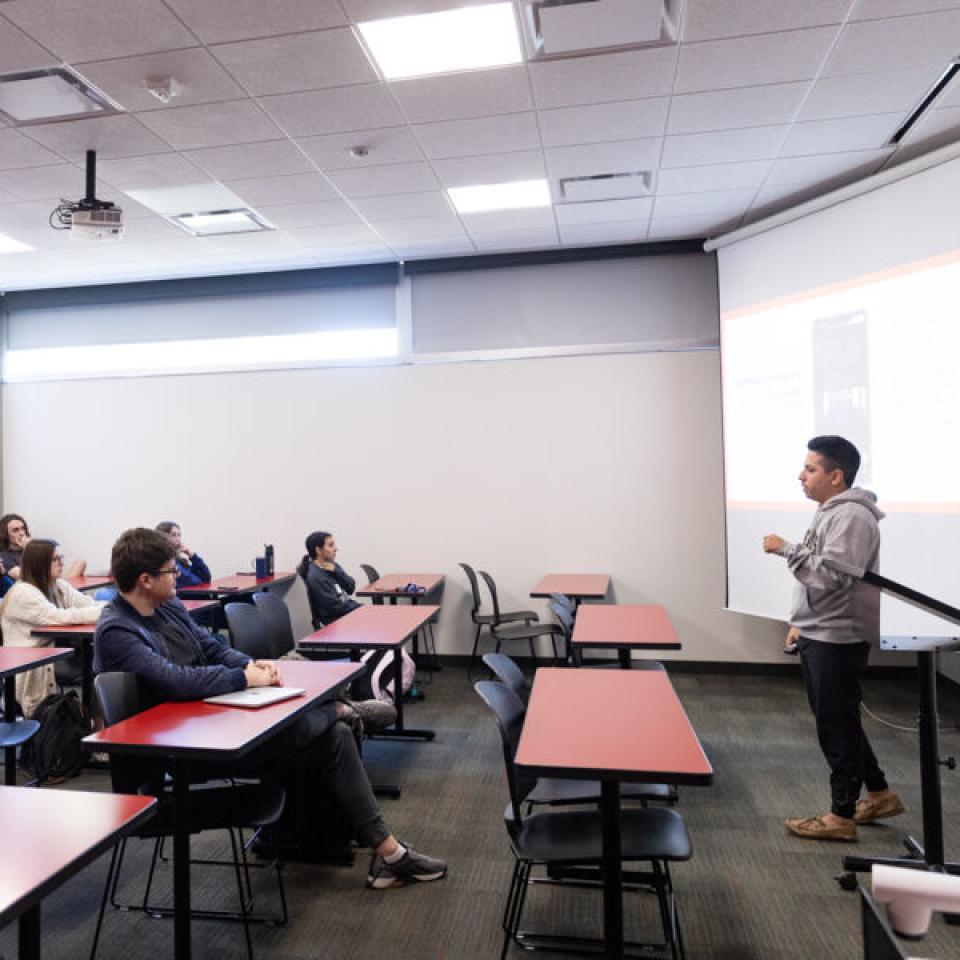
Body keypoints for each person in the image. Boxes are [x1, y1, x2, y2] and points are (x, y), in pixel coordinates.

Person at [93, 528, 443, 889]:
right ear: (145, 580)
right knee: (321, 726)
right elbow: (175, 680)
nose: (178, 575)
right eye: (171, 571)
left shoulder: (169, 607)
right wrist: (242, 680)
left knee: (334, 736)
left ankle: (388, 852)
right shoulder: (117, 630)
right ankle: (336, 709)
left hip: (211, 719)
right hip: (183, 754)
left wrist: (250, 666)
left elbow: (212, 647)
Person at [762, 435, 904, 842]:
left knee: (835, 726)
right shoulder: (833, 511)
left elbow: (833, 576)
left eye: (810, 469)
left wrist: (784, 549)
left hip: (837, 637)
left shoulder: (852, 517)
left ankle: (841, 817)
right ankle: (878, 794)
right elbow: (822, 573)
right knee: (841, 719)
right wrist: (801, 621)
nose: (801, 476)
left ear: (836, 476)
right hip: (820, 629)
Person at [0, 539, 105, 716]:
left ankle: (94, 728)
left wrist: (109, 608)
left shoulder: (57, 585)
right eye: (55, 559)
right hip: (32, 665)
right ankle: (92, 728)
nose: (62, 562)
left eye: (61, 557)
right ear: (39, 563)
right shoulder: (23, 592)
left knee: (101, 663)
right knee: (95, 669)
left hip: (55, 654)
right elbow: (60, 617)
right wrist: (109, 610)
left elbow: (87, 603)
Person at [298, 530, 361, 628]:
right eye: (331, 545)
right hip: (336, 623)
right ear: (318, 550)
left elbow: (351, 587)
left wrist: (337, 571)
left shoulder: (332, 565)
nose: (336, 549)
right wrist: (359, 608)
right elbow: (335, 607)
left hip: (346, 615)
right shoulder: (315, 576)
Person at [0, 513, 86, 580]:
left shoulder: (32, 545)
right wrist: (30, 549)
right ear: (5, 535)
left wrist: (32, 545)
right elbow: (25, 577)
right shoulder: (5, 556)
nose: (22, 533)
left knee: (80, 563)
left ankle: (66, 585)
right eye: (15, 530)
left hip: (52, 579)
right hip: (36, 587)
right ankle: (66, 586)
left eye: (23, 528)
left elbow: (55, 547)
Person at [156, 521, 211, 588]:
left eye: (179, 535)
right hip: (186, 597)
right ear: (163, 537)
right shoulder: (164, 562)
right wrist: (199, 580)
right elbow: (192, 582)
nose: (178, 539)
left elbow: (206, 578)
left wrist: (191, 555)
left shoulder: (180, 561)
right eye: (173, 535)